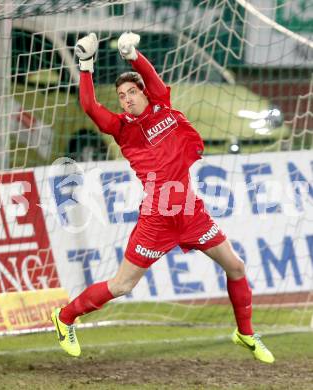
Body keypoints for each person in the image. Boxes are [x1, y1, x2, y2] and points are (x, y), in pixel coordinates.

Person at [51, 32, 274, 363]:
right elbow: (88, 106)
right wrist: (85, 67)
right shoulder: (121, 129)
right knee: (122, 285)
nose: (126, 99)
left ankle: (245, 333)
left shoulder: (163, 107)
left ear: (143, 92)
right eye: (121, 95)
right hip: (157, 218)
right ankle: (65, 317)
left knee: (236, 267)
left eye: (131, 92)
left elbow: (154, 80)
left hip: (189, 212)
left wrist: (133, 56)